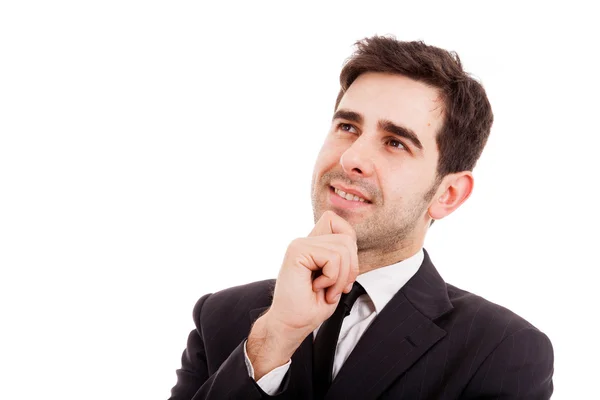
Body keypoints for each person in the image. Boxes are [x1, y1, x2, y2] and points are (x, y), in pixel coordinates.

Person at [168, 36, 554, 399]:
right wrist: (275, 337)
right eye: (347, 126)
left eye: (395, 143)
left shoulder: (504, 349)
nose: (351, 158)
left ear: (448, 194)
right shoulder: (220, 316)